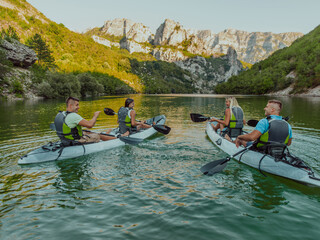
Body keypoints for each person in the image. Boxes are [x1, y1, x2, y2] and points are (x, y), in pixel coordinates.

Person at [54, 97, 123, 145]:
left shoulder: (60, 114)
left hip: (65, 140)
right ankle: (118, 139)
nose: (78, 107)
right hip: (74, 142)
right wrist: (95, 115)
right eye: (77, 105)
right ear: (70, 105)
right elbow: (90, 125)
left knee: (86, 132)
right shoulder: (73, 116)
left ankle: (107, 133)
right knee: (98, 135)